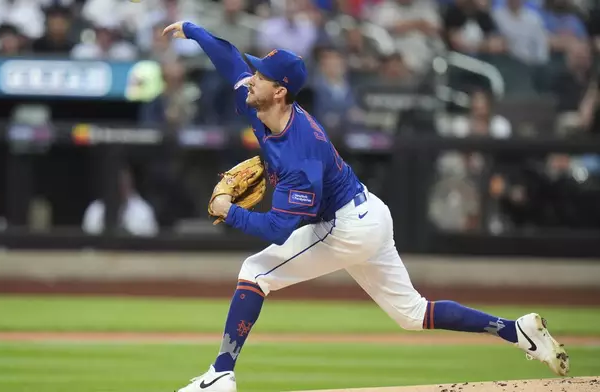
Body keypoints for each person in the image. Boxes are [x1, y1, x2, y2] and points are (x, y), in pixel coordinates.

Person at [161, 21, 570, 392]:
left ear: (279, 91)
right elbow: (230, 59)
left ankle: (221, 375)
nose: (250, 80)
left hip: (346, 227)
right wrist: (195, 31)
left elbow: (278, 230)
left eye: (261, 77)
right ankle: (516, 331)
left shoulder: (301, 154)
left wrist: (226, 208)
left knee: (255, 271)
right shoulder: (259, 101)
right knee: (412, 314)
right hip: (368, 212)